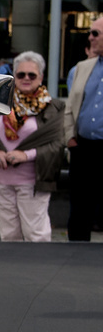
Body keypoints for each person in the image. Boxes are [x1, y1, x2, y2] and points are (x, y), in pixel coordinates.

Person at [0, 51, 65, 241]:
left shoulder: (53, 108)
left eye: (32, 75)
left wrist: (25, 155)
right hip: (0, 182)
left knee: (36, 235)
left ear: (41, 77)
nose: (26, 78)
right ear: (14, 76)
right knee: (9, 235)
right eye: (21, 74)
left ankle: (41, 270)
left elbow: (57, 144)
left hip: (33, 182)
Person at [65, 21, 103, 241]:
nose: (90, 38)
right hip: (83, 148)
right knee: (79, 210)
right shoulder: (82, 67)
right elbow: (70, 106)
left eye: (95, 33)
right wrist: (69, 138)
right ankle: (75, 257)